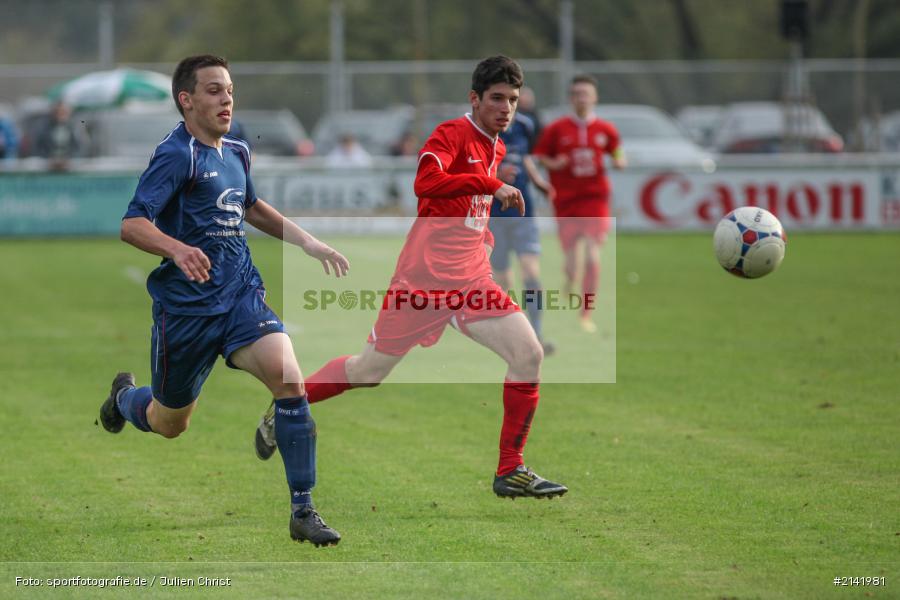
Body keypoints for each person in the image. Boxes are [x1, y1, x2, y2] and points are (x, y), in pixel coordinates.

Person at [255, 56, 568, 501]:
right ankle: (285, 406)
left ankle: (510, 469)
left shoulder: (496, 147)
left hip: (472, 280)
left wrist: (483, 234)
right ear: (474, 99)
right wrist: (487, 184)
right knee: (368, 371)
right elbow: (426, 182)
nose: (506, 108)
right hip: (423, 283)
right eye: (497, 98)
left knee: (528, 354)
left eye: (513, 101)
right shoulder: (450, 134)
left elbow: (467, 210)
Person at [98, 55, 350, 547]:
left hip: (240, 294)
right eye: (213, 90)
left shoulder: (236, 149)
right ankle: (125, 399)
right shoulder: (177, 154)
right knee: (169, 423)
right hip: (186, 311)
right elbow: (132, 224)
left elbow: (251, 206)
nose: (226, 98)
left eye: (230, 89)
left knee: (289, 379)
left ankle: (304, 510)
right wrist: (177, 247)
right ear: (186, 100)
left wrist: (307, 241)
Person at [532, 75, 626, 333]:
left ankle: (586, 314)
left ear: (594, 97)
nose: (581, 98)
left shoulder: (605, 129)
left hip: (595, 198)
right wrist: (554, 164)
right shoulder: (557, 129)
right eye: (576, 94)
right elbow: (540, 156)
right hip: (565, 201)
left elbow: (617, 149)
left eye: (586, 93)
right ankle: (569, 282)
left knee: (593, 256)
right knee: (572, 264)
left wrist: (619, 160)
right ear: (570, 98)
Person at [488, 106, 556, 355]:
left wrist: (538, 181)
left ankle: (536, 334)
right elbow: (473, 169)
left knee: (530, 270)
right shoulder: (483, 127)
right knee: (503, 279)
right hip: (494, 214)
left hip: (523, 210)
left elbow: (525, 156)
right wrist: (497, 176)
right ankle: (508, 337)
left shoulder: (525, 125)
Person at [33, 101, 88, 169]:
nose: (60, 115)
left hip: (71, 165)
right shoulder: (43, 127)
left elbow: (81, 148)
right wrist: (50, 160)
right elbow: (38, 148)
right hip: (48, 165)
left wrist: (69, 160)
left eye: (63, 112)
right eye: (58, 112)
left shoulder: (76, 127)